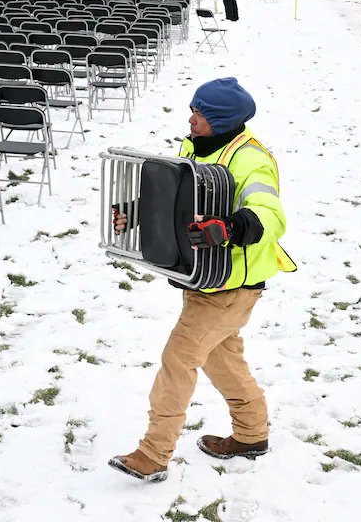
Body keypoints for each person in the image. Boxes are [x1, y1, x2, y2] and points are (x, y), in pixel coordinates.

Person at [109, 77, 297, 483]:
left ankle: (153, 453)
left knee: (179, 360)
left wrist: (229, 227)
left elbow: (270, 214)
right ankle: (251, 435)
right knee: (221, 358)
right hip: (204, 279)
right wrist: (135, 212)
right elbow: (180, 200)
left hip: (232, 285)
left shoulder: (251, 160)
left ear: (224, 120)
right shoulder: (194, 147)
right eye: (193, 110)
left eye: (201, 114)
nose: (191, 119)